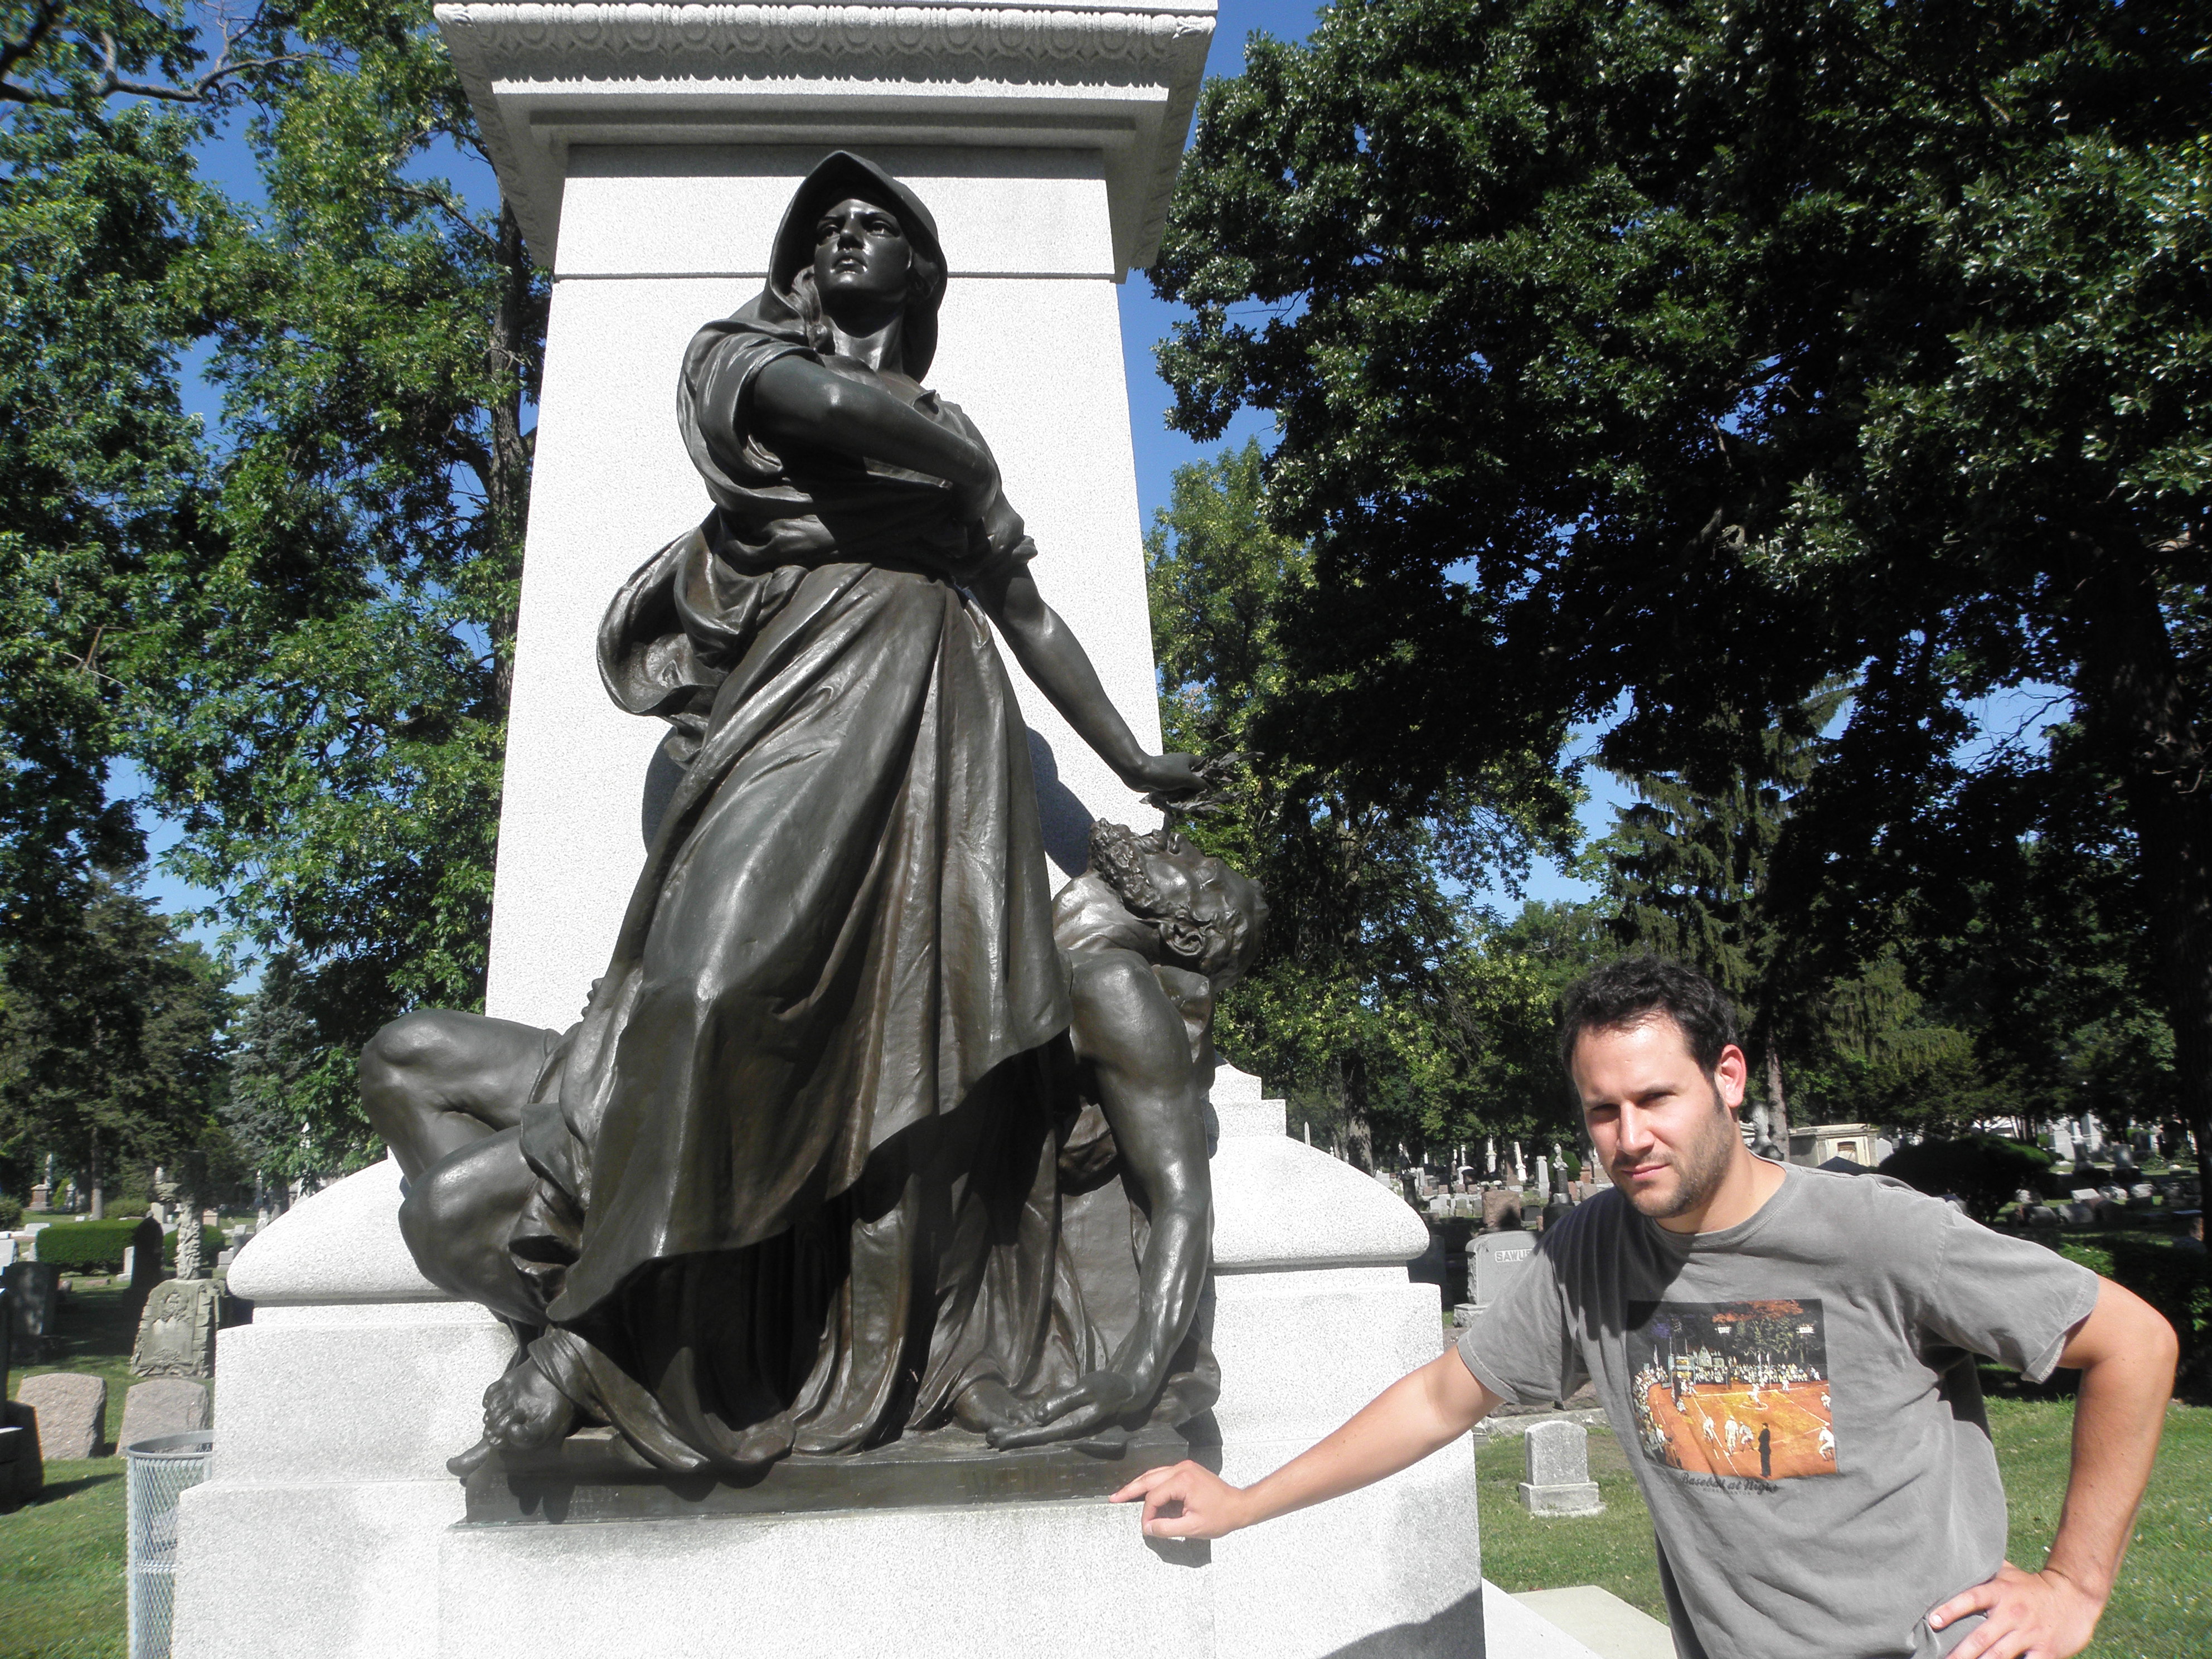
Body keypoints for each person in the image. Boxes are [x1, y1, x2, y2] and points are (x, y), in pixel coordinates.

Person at [369, 151, 1207, 1474]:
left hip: (942, 726)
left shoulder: (948, 430)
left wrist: (1130, 758)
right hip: (802, 697)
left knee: (940, 1045)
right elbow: (826, 401)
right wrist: (966, 473)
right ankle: (622, 1326)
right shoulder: (741, 361)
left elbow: (1027, 612)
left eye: (874, 226)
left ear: (919, 270)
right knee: (707, 989)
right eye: (826, 229)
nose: (844, 239)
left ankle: (928, 1351)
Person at [1116, 957, 2179, 1659]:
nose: (1630, 1139)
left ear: (1728, 1078)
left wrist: (2074, 1586)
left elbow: (2134, 1341)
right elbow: (1443, 1397)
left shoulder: (1877, 1234)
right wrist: (1244, 1503)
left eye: (1656, 1099)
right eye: (1603, 1111)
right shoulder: (1594, 1248)